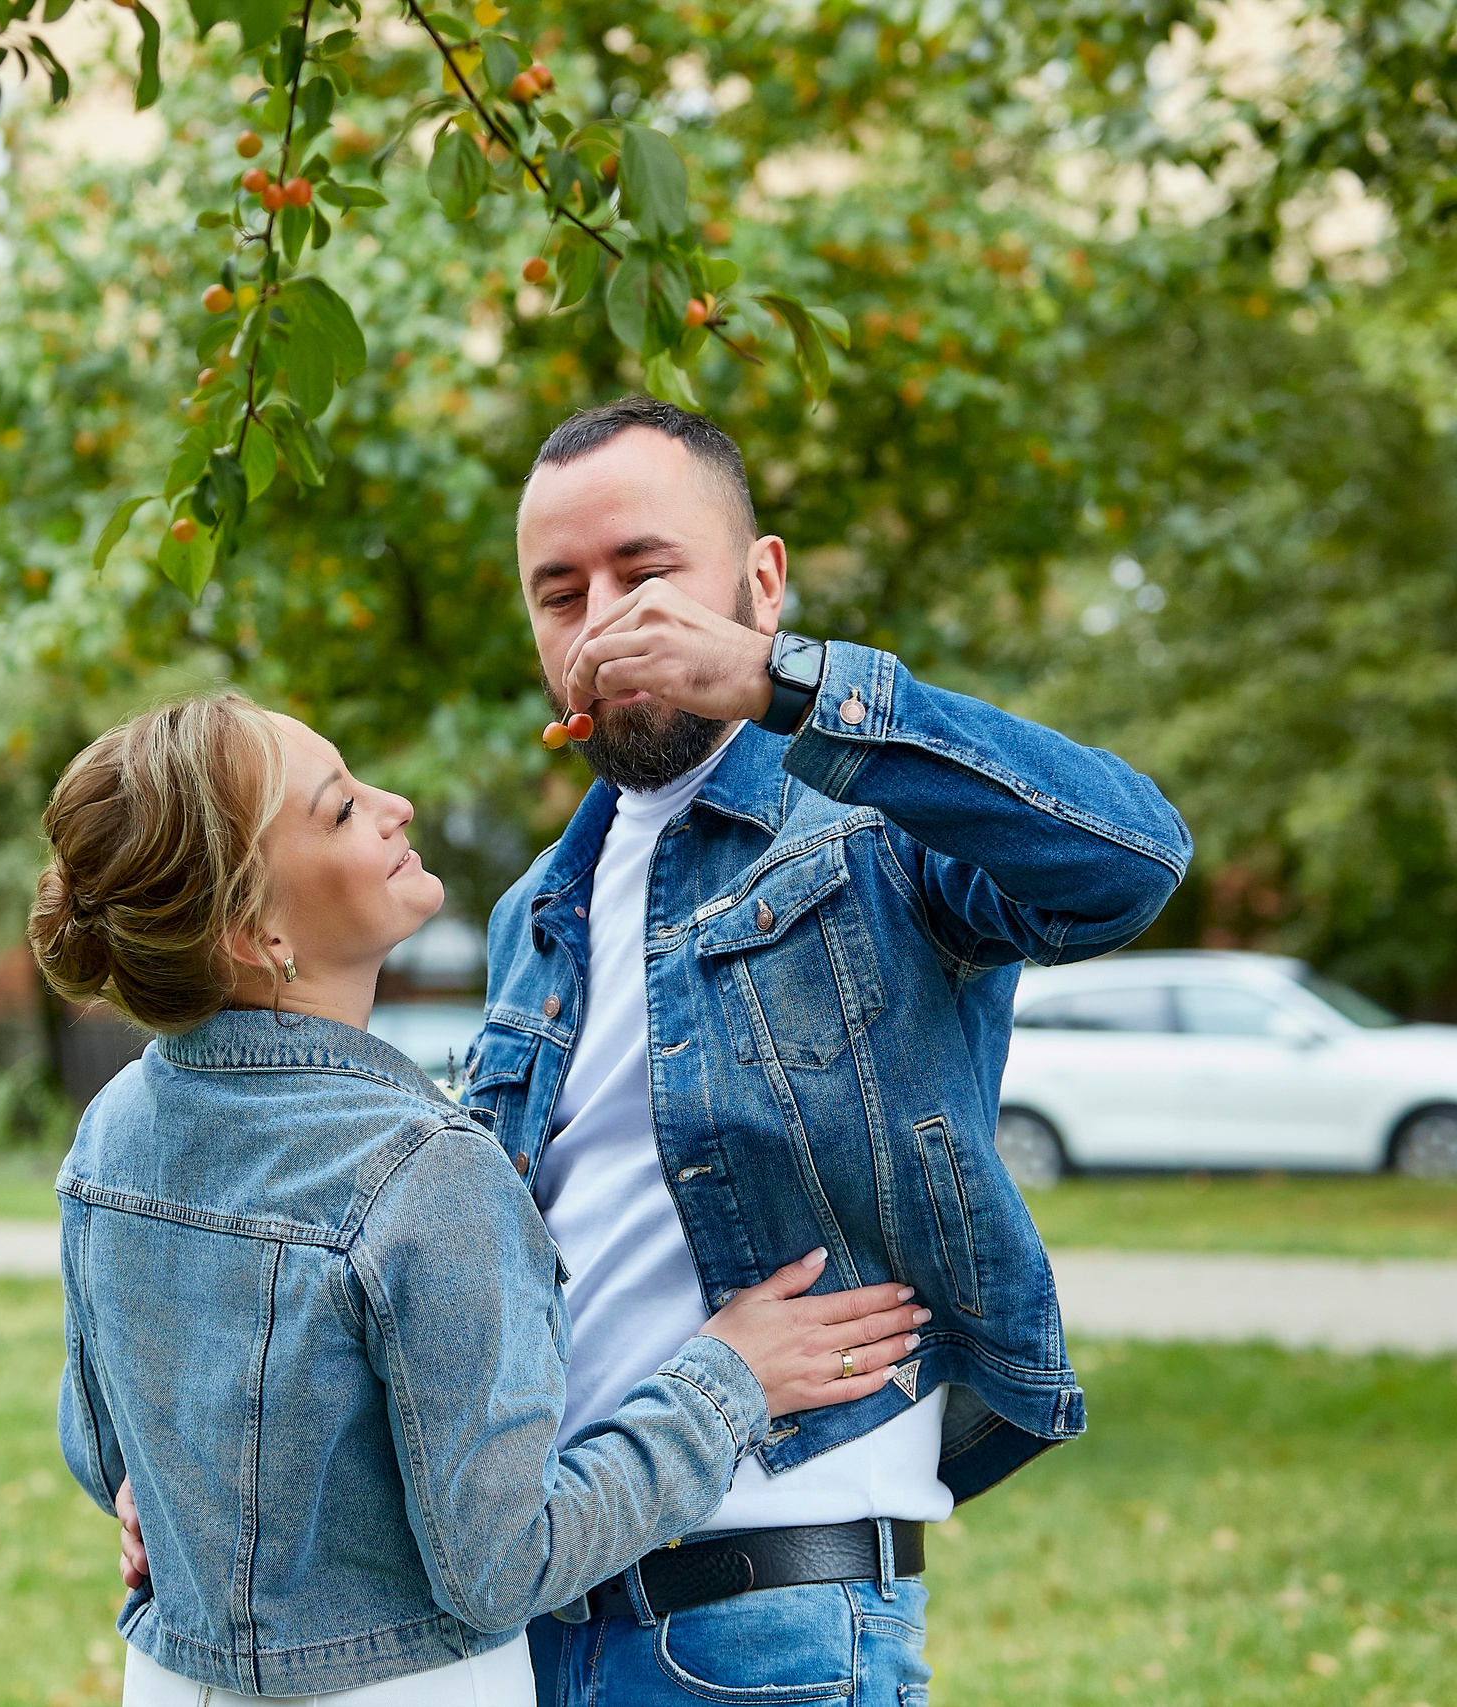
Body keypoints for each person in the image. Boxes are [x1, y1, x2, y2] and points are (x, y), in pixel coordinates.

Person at [473, 398, 1194, 1705]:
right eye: (560, 591)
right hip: (528, 1616)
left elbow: (1131, 859)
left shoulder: (871, 825)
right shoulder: (538, 905)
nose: (605, 621)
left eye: (646, 572)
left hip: (762, 1625)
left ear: (761, 580)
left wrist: (786, 682)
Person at [34, 691, 932, 1706]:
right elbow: (503, 1565)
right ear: (257, 931)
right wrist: (729, 1382)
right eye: (338, 810)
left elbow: (99, 1450)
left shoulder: (112, 1128)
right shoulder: (424, 1171)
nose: (396, 805)